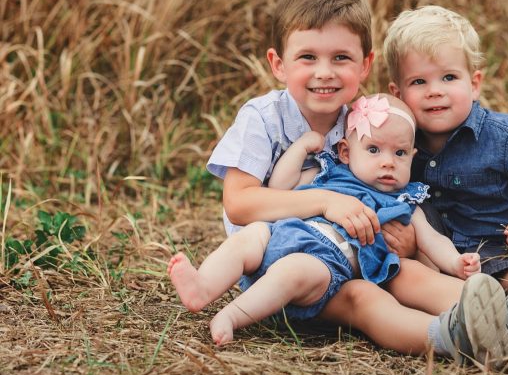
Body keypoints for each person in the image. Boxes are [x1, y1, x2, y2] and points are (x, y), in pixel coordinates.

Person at [164, 0, 508, 365]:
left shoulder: (366, 119)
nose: (325, 72)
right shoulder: (263, 118)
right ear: (278, 64)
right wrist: (326, 201)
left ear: (365, 65)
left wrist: (413, 242)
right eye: (308, 57)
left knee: (389, 284)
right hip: (279, 266)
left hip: (353, 258)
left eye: (341, 58)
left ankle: (488, 320)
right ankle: (452, 336)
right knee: (339, 287)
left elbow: (397, 183)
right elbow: (239, 205)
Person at [168, 94, 485, 348]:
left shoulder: (405, 202)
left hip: (323, 270)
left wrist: (457, 263)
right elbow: (280, 187)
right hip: (278, 237)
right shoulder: (329, 172)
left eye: (399, 154)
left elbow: (433, 240)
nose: (387, 162)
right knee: (246, 237)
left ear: (412, 157)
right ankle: (203, 287)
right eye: (373, 149)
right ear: (346, 152)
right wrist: (300, 148)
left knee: (350, 292)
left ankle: (448, 335)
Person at [384, 5, 508, 354]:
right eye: (419, 82)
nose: (434, 91)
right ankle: (485, 319)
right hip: (445, 260)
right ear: (398, 95)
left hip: (505, 250)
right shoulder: (398, 148)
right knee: (409, 271)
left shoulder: (506, 136)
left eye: (449, 78)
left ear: (475, 84)